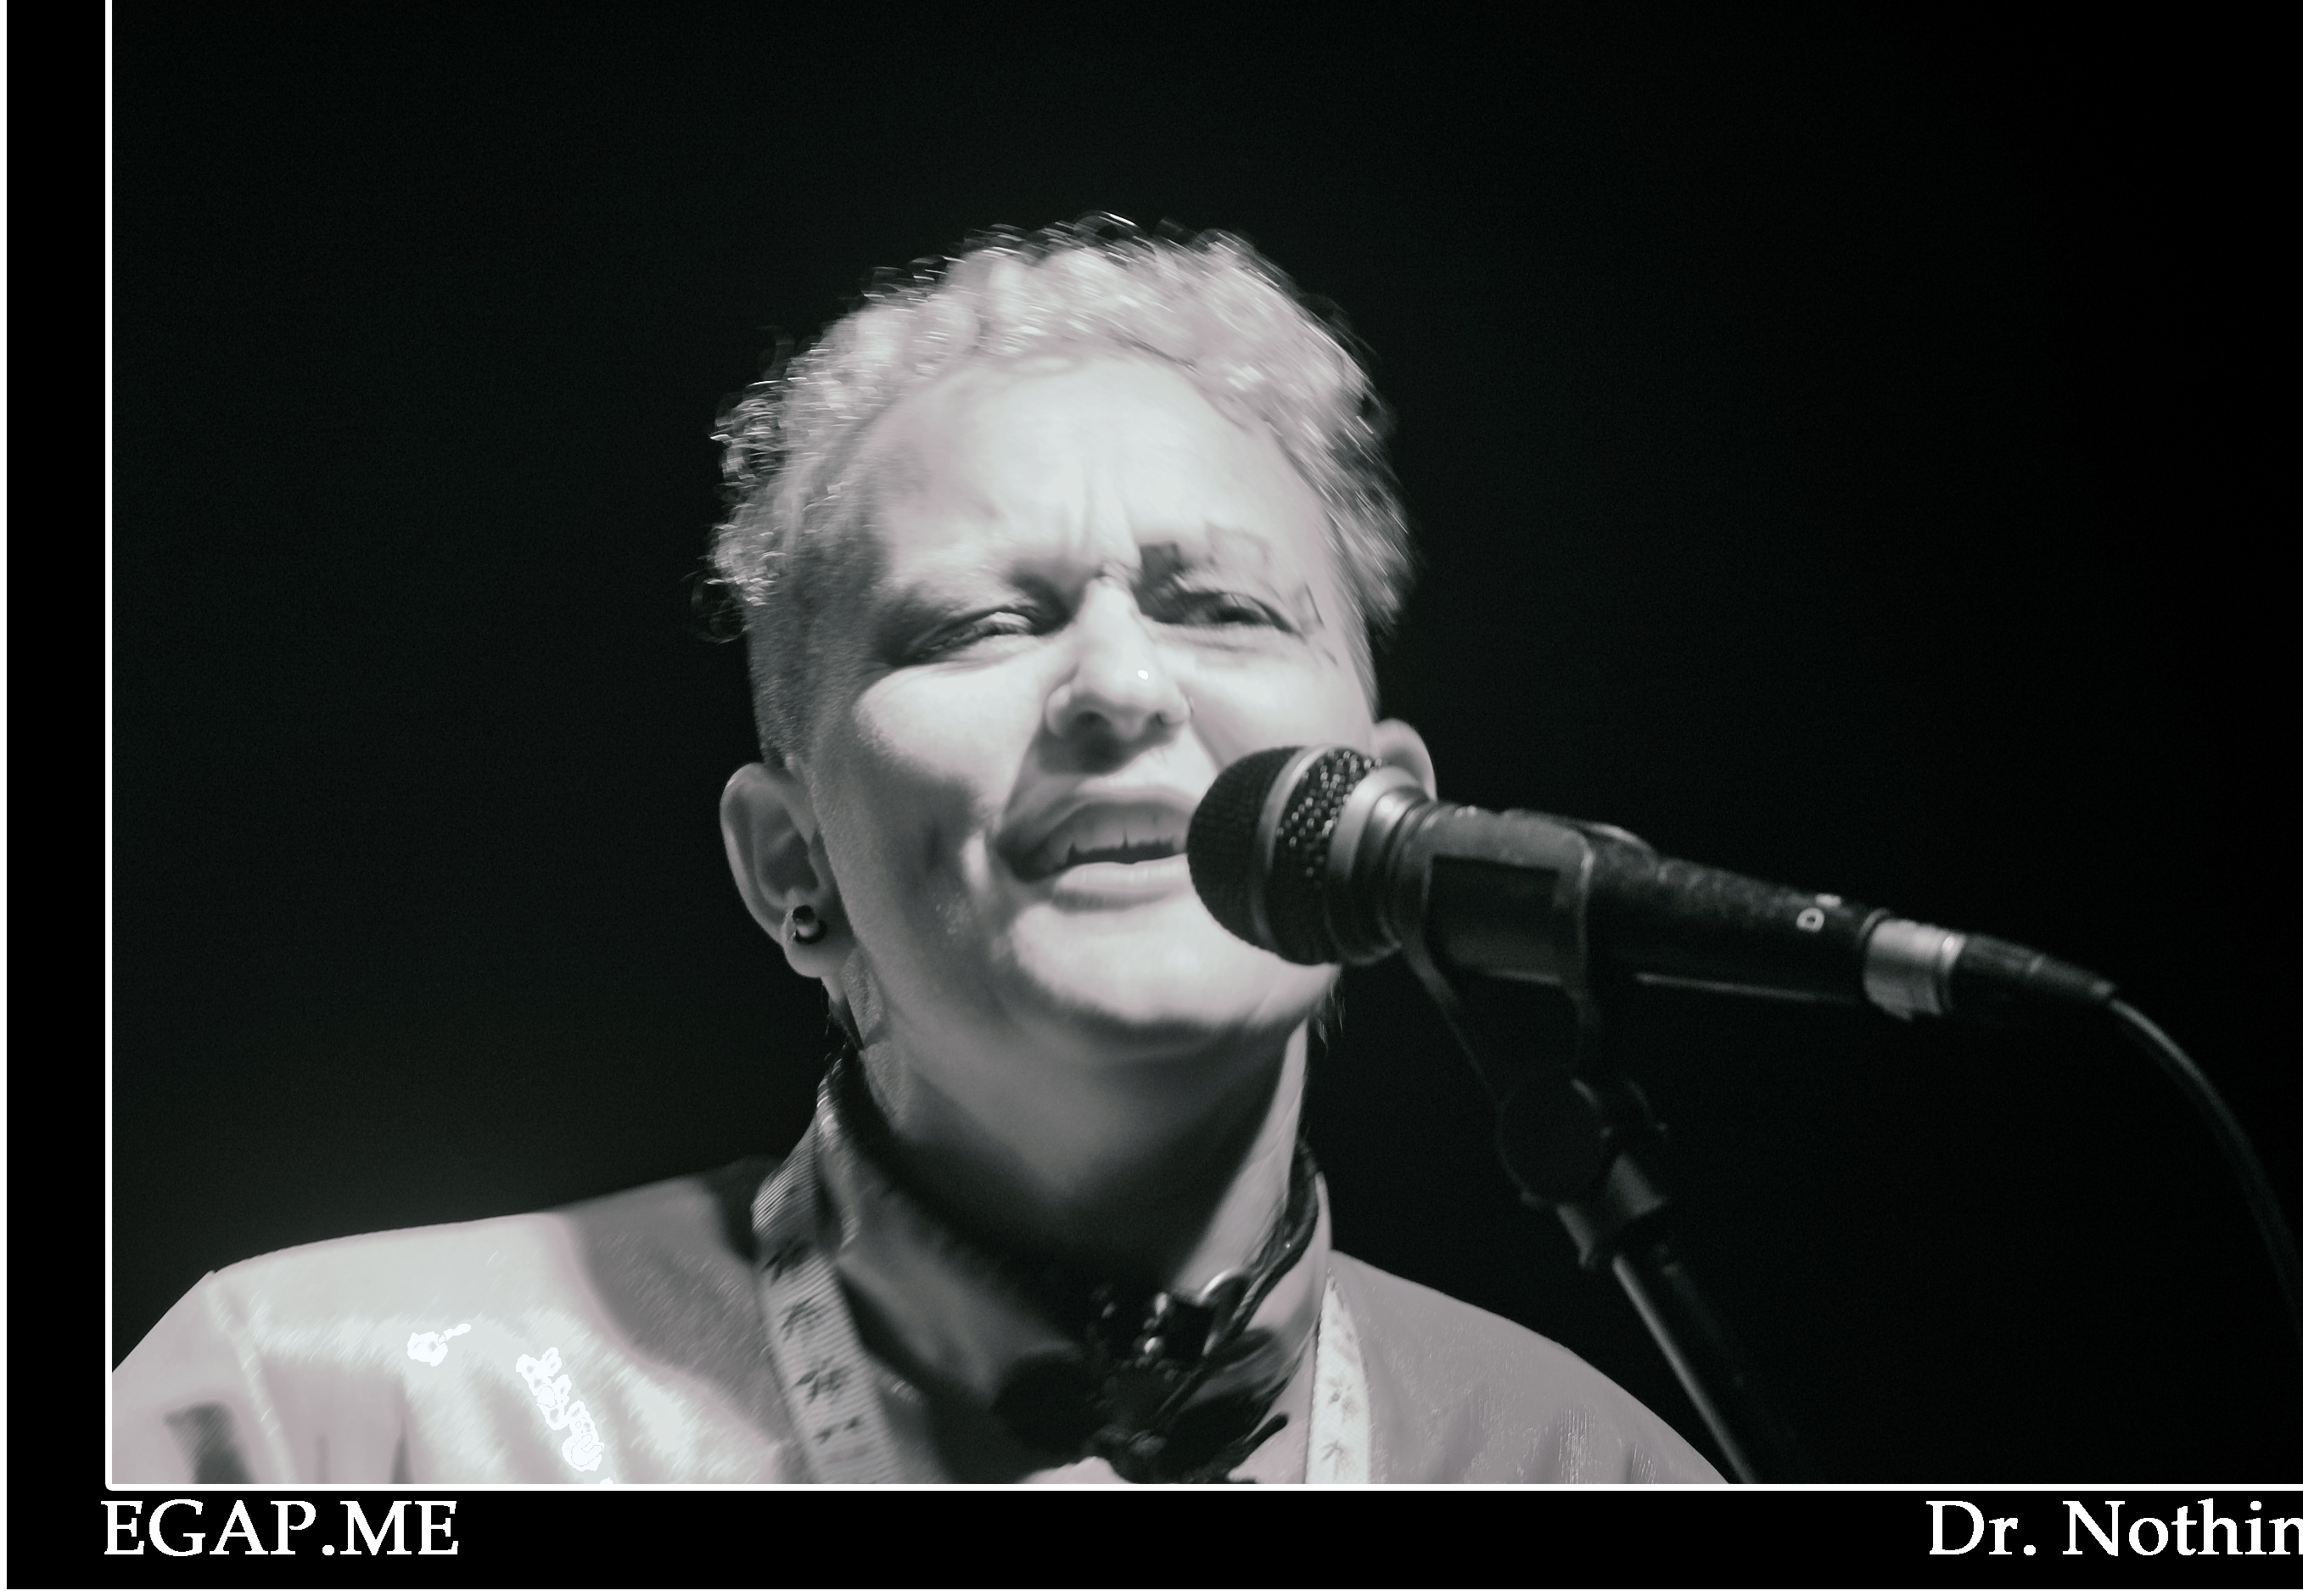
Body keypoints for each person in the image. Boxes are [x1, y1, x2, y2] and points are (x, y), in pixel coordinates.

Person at [111, 218, 1722, 1484]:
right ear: (789, 865)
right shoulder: (311, 1420)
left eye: (1223, 608)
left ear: (1381, 816)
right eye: (978, 624)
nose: (1119, 685)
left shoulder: (1605, 1477)